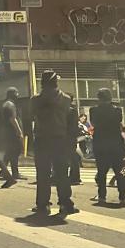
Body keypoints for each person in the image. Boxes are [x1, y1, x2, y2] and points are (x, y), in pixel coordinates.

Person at [28, 70, 77, 217]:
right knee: (62, 173)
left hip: (42, 140)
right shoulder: (66, 99)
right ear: (56, 82)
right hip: (60, 140)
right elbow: (71, 124)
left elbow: (29, 119)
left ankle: (43, 205)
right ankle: (65, 203)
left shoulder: (35, 100)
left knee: (43, 174)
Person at [89, 88, 125, 205]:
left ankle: (102, 196)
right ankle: (122, 197)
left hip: (100, 142)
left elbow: (93, 123)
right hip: (115, 142)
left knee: (101, 171)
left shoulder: (94, 110)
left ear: (99, 98)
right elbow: (119, 122)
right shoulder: (117, 110)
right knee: (119, 171)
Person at [2, 87, 25, 183]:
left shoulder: (5, 104)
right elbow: (13, 119)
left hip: (7, 132)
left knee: (9, 152)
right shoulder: (10, 105)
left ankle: (3, 171)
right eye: (16, 93)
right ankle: (15, 173)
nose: (18, 95)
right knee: (15, 152)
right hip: (12, 132)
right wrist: (19, 131)